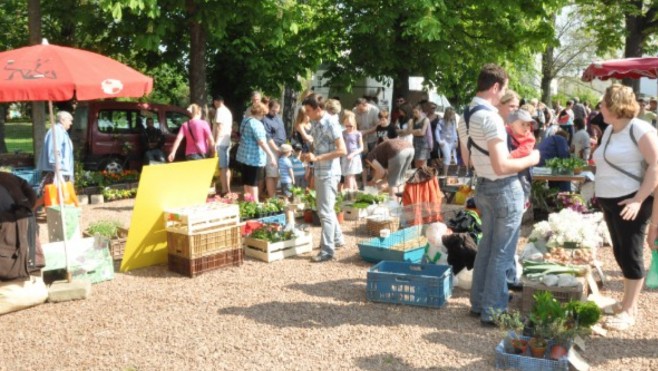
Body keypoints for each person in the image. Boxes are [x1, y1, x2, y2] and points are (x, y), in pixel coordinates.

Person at [457, 64, 539, 326]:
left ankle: (479, 303)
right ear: (495, 87)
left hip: (483, 187)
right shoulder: (491, 117)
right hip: (504, 188)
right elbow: (502, 165)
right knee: (502, 252)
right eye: (503, 89)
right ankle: (493, 310)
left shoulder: (465, 115)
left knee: (487, 249)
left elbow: (468, 160)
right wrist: (532, 158)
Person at [593, 84, 658, 331]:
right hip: (611, 201)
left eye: (603, 103)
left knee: (630, 255)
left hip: (630, 201)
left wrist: (638, 199)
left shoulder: (640, 129)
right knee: (620, 253)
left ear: (615, 106)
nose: (600, 106)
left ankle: (630, 310)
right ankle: (625, 303)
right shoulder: (611, 129)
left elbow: (655, 166)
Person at [302, 94, 346, 262]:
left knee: (325, 212)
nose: (307, 114)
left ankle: (327, 251)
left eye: (308, 111)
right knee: (326, 208)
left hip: (329, 173)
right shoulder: (315, 121)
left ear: (318, 110)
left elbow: (342, 150)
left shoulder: (331, 123)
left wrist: (317, 158)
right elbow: (318, 146)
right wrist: (308, 155)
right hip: (320, 171)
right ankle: (337, 239)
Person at [236, 103, 277, 203]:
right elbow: (261, 141)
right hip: (253, 158)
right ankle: (256, 204)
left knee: (246, 182)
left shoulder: (245, 120)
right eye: (264, 114)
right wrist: (271, 155)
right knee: (253, 183)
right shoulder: (257, 124)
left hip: (243, 156)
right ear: (261, 113)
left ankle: (248, 203)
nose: (264, 117)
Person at [37, 111, 75, 191]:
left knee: (62, 199)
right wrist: (58, 171)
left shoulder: (62, 132)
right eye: (70, 120)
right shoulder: (57, 131)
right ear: (62, 120)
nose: (71, 123)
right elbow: (54, 150)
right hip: (55, 172)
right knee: (52, 198)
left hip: (61, 171)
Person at [262, 100, 287, 198]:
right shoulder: (265, 120)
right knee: (271, 173)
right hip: (272, 148)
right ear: (269, 108)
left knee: (278, 173)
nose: (275, 113)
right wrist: (276, 149)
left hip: (281, 147)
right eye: (273, 111)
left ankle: (274, 194)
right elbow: (268, 137)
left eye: (277, 111)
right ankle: (272, 196)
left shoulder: (278, 118)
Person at [212, 95, 234, 196]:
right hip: (227, 141)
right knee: (226, 166)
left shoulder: (220, 111)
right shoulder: (228, 111)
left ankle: (225, 190)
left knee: (222, 167)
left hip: (221, 142)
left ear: (216, 101)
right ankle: (228, 188)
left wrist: (215, 142)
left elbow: (219, 127)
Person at [341, 111, 364, 191]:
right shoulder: (343, 133)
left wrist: (353, 154)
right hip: (345, 156)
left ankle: (350, 193)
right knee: (349, 177)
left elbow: (361, 148)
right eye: (346, 126)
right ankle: (354, 192)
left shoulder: (358, 133)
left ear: (354, 124)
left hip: (354, 157)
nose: (348, 128)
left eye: (350, 126)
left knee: (350, 176)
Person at [436, 107, 458, 176]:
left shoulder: (453, 122)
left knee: (448, 158)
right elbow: (436, 131)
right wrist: (439, 141)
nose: (454, 115)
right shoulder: (441, 121)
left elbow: (454, 132)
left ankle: (444, 172)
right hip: (444, 141)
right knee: (447, 156)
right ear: (448, 114)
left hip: (451, 142)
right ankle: (445, 175)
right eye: (452, 114)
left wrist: (456, 140)